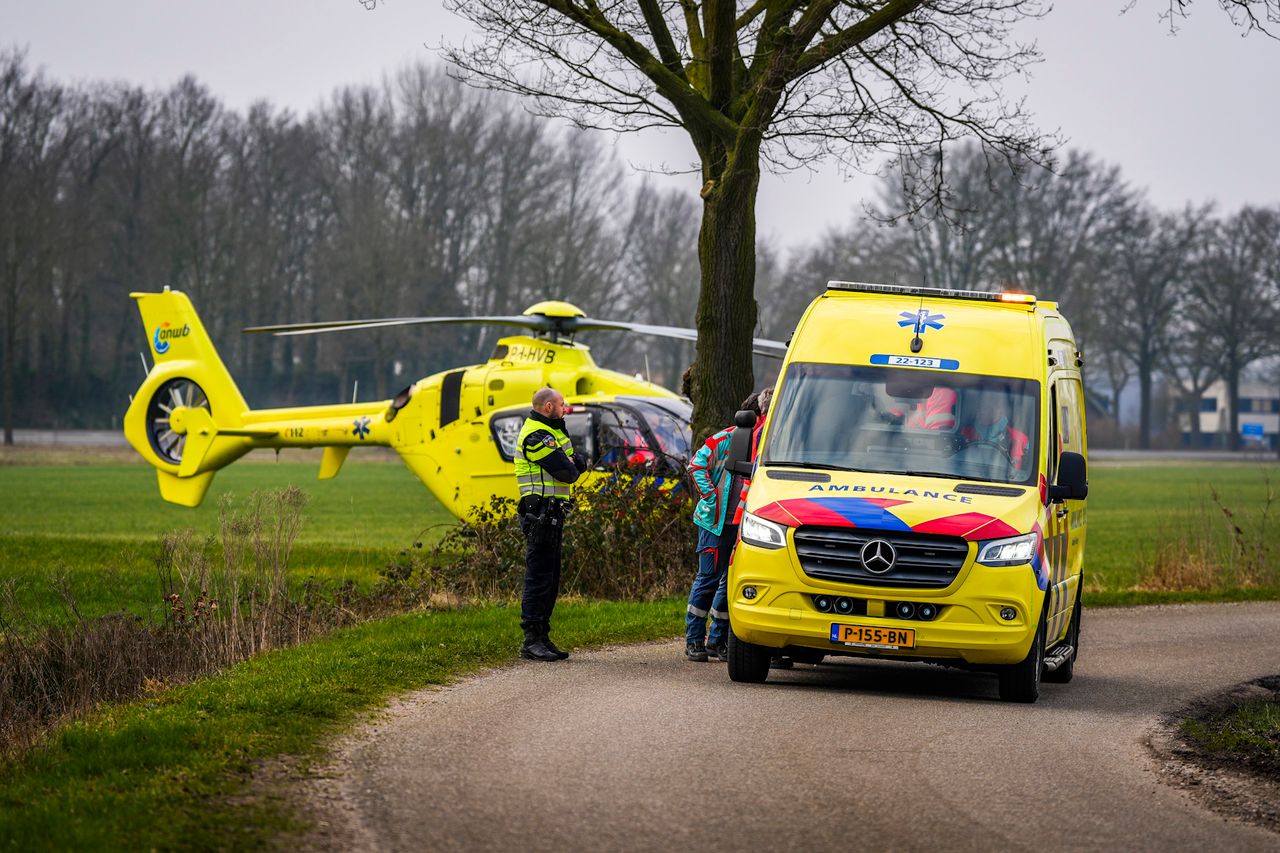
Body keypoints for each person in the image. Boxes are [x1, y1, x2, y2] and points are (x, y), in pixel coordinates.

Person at [684, 392, 763, 663]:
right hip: (714, 523)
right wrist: (710, 497)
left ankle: (717, 641)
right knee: (708, 579)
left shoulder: (766, 444)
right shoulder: (725, 438)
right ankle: (694, 639)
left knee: (729, 583)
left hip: (742, 524)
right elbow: (696, 465)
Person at [514, 387, 588, 662]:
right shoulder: (537, 436)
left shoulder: (554, 431)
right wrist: (574, 464)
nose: (565, 407)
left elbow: (576, 462)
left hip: (553, 513)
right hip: (540, 514)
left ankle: (542, 635)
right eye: (561, 404)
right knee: (539, 578)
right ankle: (531, 640)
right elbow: (568, 472)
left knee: (551, 578)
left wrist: (574, 463)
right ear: (547, 407)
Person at [960, 392, 1030, 474]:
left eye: (989, 406)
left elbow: (1020, 474)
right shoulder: (964, 433)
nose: (982, 410)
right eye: (980, 404)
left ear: (1002, 409)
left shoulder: (1019, 439)